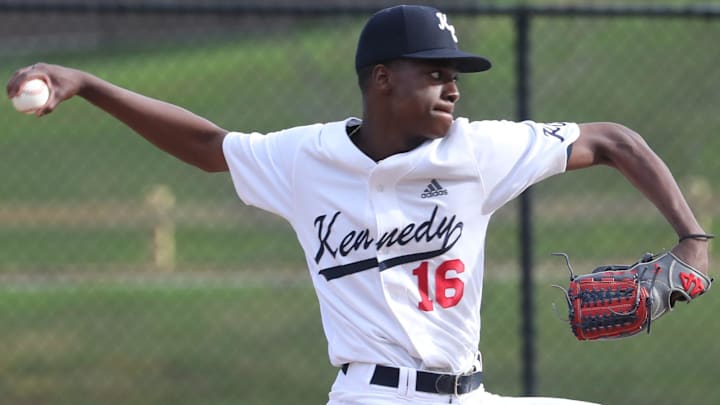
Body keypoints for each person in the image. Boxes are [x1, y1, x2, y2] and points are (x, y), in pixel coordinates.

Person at [6, 5, 711, 405]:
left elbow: (614, 140)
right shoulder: (305, 157)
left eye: (455, 74)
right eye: (434, 74)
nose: (453, 88)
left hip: (469, 395)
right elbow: (206, 144)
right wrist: (90, 84)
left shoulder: (478, 150)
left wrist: (692, 240)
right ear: (381, 80)